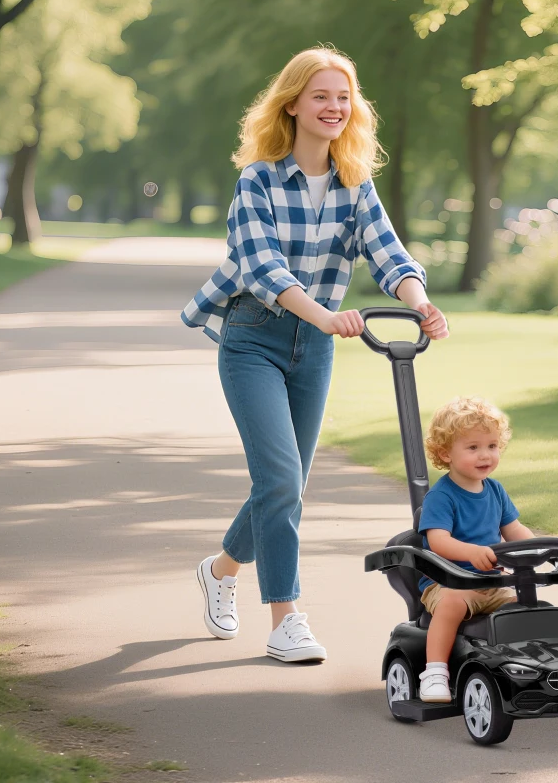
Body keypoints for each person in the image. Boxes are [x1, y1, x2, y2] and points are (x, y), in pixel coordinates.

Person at [181, 46, 449, 663]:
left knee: (287, 485)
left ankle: (221, 570)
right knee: (280, 480)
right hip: (254, 338)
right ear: (294, 103)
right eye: (321, 96)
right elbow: (264, 265)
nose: (333, 107)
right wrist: (327, 315)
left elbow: (388, 254)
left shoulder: (355, 183)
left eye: (343, 97)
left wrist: (420, 302)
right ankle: (286, 619)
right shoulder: (260, 180)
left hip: (315, 349)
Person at [417, 397, 533, 701]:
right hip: (448, 582)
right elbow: (437, 541)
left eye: (492, 446)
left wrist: (534, 549)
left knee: (525, 608)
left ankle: (517, 669)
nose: (486, 455)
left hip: (491, 582)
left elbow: (515, 531)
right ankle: (435, 672)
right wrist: (470, 553)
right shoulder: (441, 496)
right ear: (446, 453)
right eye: (473, 448)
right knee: (453, 604)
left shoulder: (495, 490)